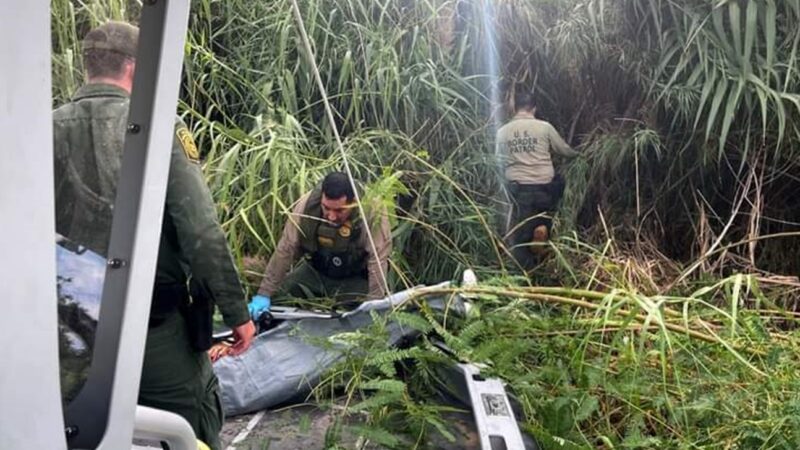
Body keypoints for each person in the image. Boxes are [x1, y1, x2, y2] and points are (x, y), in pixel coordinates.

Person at [53, 21, 255, 450]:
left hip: (67, 332)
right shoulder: (157, 127)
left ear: (87, 65)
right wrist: (237, 312)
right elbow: (200, 231)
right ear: (136, 68)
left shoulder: (42, 130)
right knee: (187, 429)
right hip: (153, 333)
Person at [249, 172, 392, 317]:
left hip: (354, 279)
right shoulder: (308, 204)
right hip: (316, 272)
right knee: (278, 299)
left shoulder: (372, 210)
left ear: (354, 201)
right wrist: (264, 293)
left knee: (358, 316)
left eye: (339, 210)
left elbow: (378, 261)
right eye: (326, 208)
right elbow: (286, 248)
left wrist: (374, 307)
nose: (331, 216)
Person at [495, 90, 578, 269]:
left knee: (521, 235)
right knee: (548, 209)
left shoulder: (502, 132)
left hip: (518, 188)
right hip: (545, 186)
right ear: (534, 108)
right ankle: (543, 227)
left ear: (514, 108)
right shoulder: (544, 127)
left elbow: (497, 161)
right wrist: (579, 154)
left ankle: (527, 275)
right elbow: (564, 150)